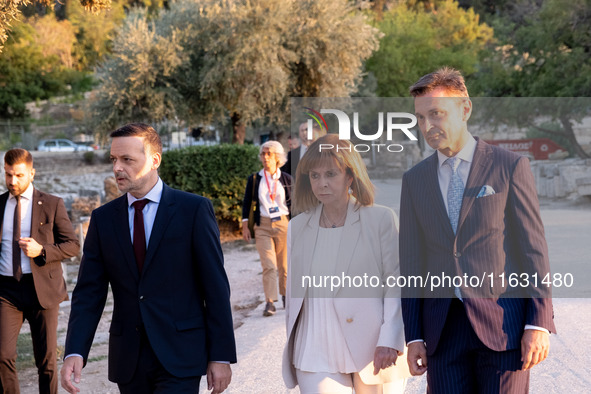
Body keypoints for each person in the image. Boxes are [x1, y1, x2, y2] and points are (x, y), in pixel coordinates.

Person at [399, 67, 555, 393]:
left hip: (504, 327)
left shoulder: (509, 166)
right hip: (442, 332)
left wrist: (538, 322)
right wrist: (413, 334)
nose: (427, 126)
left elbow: (533, 250)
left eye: (436, 114)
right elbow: (412, 262)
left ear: (465, 108)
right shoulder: (414, 180)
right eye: (420, 118)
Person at [60, 123, 236, 393]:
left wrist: (220, 355)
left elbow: (215, 288)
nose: (117, 167)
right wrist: (75, 350)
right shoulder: (103, 219)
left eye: (127, 159)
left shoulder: (194, 210)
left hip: (181, 355)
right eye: (114, 159)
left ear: (154, 160)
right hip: (128, 360)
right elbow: (88, 292)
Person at [282, 134, 409, 393]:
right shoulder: (297, 227)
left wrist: (390, 339)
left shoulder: (381, 219)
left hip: (373, 346)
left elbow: (396, 284)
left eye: (331, 174)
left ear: (350, 176)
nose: (322, 183)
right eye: (314, 176)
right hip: (315, 345)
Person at [0, 148, 79, 394]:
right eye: (8, 174)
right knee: (2, 355)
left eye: (19, 175)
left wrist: (42, 250)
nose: (13, 181)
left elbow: (73, 245)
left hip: (42, 290)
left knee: (45, 361)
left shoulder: (52, 204)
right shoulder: (0, 204)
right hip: (6, 291)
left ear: (32, 173)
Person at [242, 141, 292, 317]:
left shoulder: (286, 179)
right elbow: (247, 202)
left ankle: (286, 294)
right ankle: (270, 302)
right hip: (262, 224)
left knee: (284, 266)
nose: (264, 157)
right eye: (263, 153)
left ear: (277, 157)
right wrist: (245, 225)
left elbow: (293, 204)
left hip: (283, 224)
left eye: (269, 154)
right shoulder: (255, 179)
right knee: (268, 265)